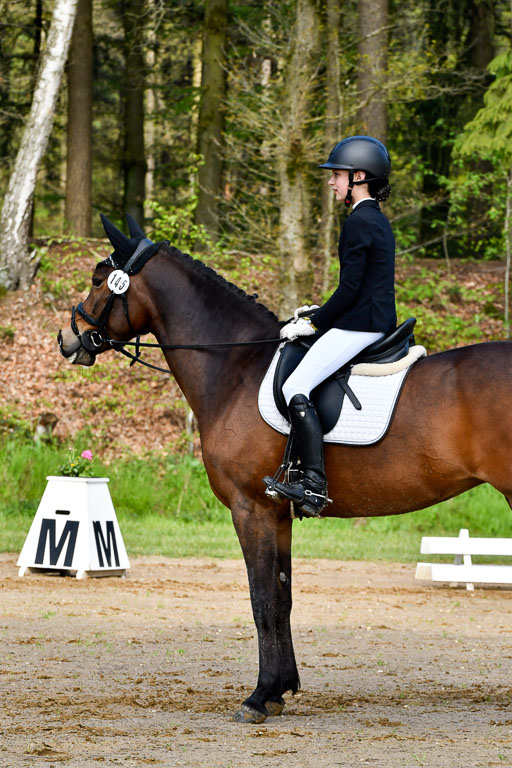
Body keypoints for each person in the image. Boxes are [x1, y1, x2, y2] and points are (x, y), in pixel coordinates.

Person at [267, 135, 397, 518]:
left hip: (361, 326)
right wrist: (321, 311)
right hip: (371, 319)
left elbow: (350, 289)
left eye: (337, 175)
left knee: (294, 386)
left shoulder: (359, 221)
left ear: (359, 177)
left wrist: (314, 322)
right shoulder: (376, 219)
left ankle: (313, 485)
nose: (331, 181)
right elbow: (363, 288)